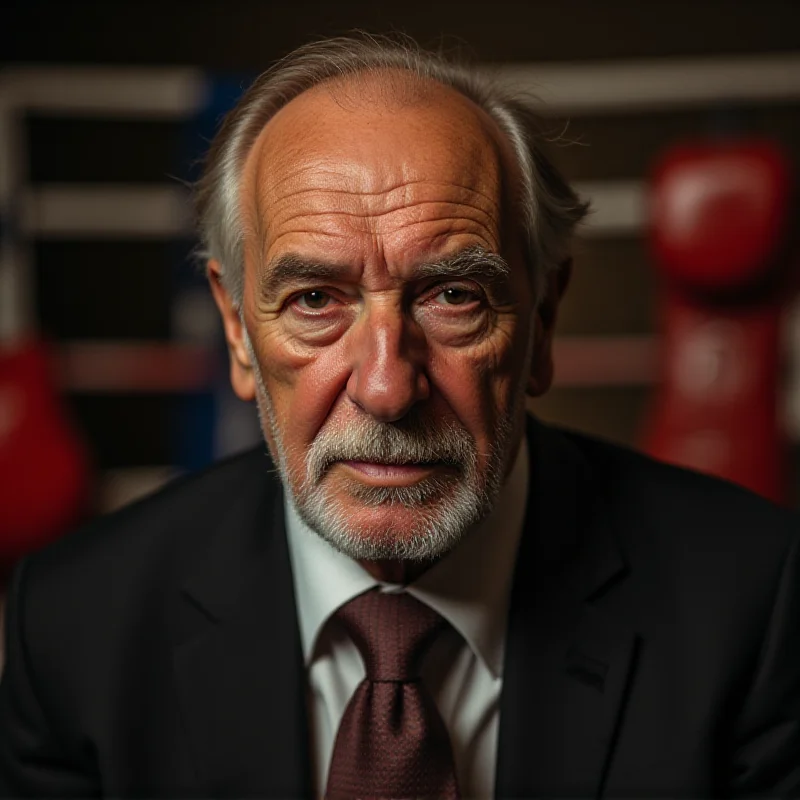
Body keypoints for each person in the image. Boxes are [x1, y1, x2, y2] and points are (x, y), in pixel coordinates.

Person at [1, 33, 799, 799]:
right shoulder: (76, 628)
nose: (386, 388)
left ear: (544, 320)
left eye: (454, 296)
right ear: (238, 331)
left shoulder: (750, 605)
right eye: (315, 300)